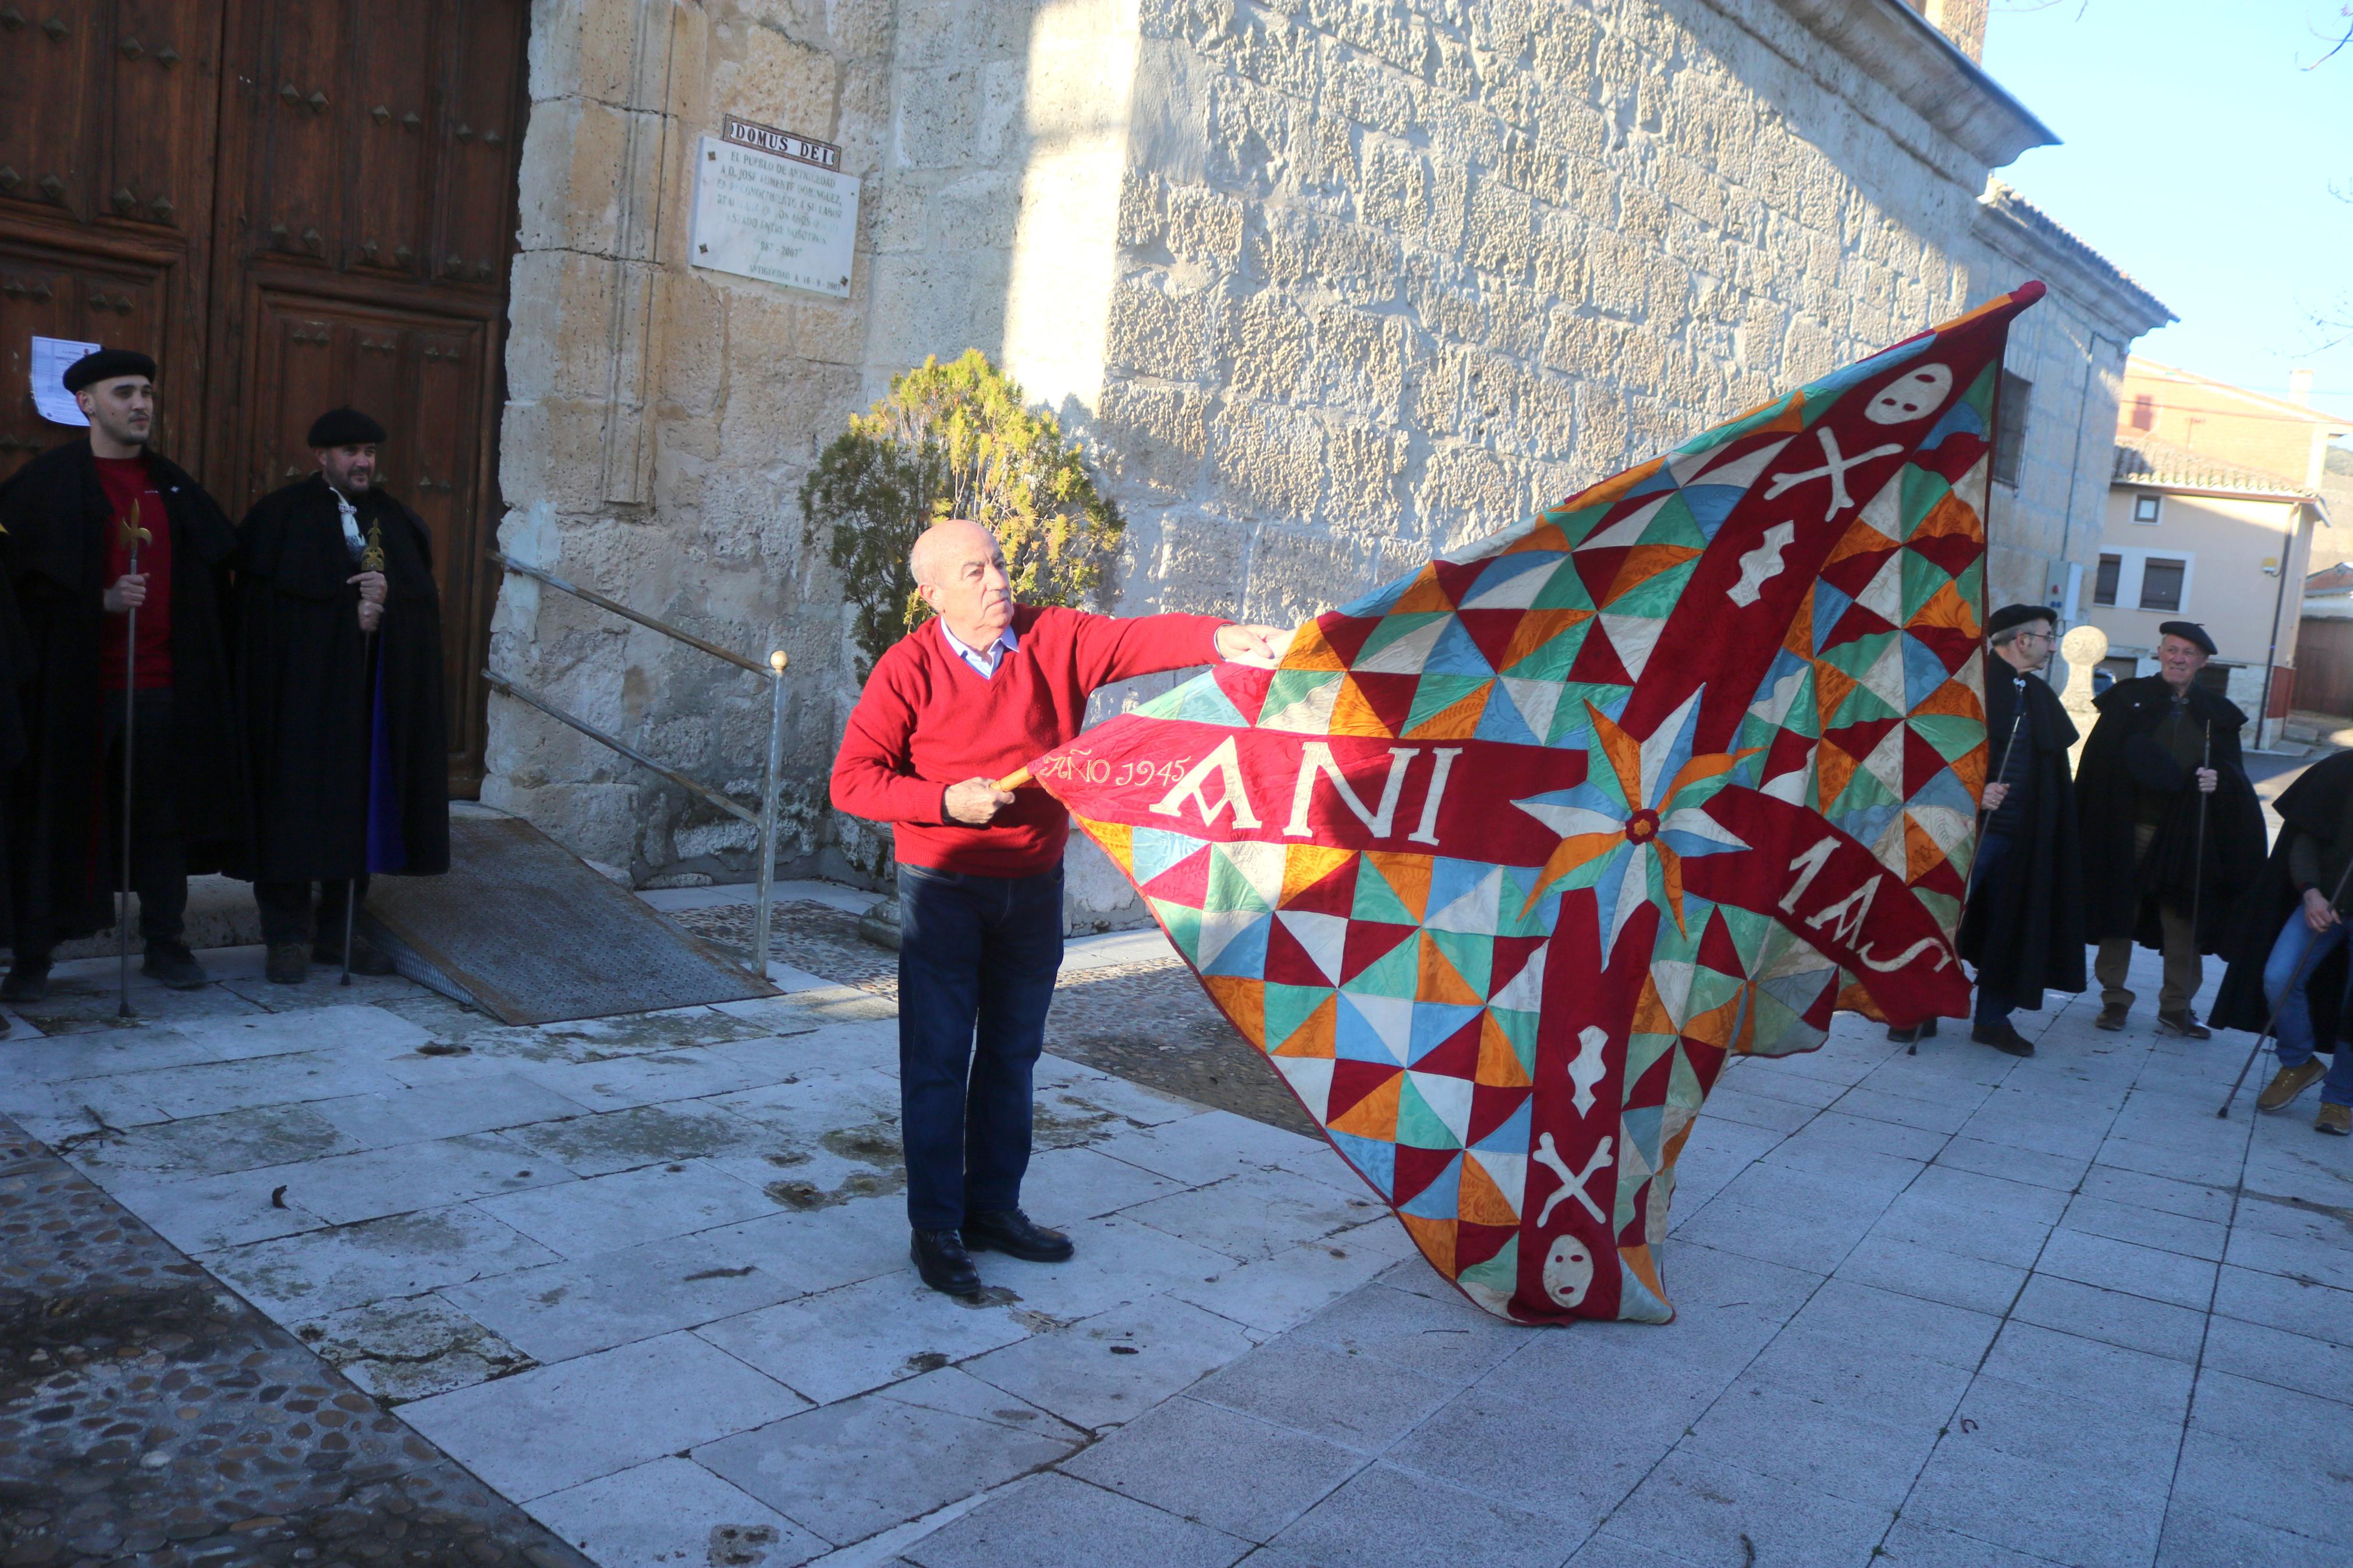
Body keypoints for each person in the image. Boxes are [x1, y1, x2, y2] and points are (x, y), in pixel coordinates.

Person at [830, 518, 1288, 1297]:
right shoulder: (906, 669)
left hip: (1033, 890)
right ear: (932, 593)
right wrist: (943, 799)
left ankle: (994, 1209)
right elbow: (853, 780)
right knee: (938, 1061)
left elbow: (1137, 640)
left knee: (1013, 1054)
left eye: (999, 564)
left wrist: (1222, 636)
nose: (998, 581)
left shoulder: (1052, 637)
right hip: (941, 890)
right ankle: (935, 1225)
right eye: (973, 572)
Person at [0, 349, 245, 1002]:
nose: (140, 404)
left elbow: (217, 576)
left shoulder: (172, 485)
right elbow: (17, 593)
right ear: (86, 404)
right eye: (124, 393)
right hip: (76, 693)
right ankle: (34, 954)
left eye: (147, 394)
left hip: (162, 686)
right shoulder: (43, 486)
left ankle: (166, 942)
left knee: (160, 820)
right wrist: (97, 600)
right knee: (57, 816)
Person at [233, 408, 448, 984]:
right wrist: (341, 613)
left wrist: (389, 602)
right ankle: (284, 934)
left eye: (370, 452)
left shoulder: (393, 518)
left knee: (360, 809)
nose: (363, 462)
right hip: (298, 703)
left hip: (366, 701)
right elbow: (261, 618)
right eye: (351, 452)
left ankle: (340, 929)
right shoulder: (279, 517)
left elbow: (422, 608)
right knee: (292, 809)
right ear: (320, 457)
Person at [2073, 622, 2265, 1037]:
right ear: (2158, 652)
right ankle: (2114, 999)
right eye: (2172, 650)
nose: (2179, 658)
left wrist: (2220, 781)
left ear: (2203, 662)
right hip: (2129, 828)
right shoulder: (2127, 700)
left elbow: (2234, 776)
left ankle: (2176, 1006)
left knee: (2183, 918)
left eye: (2188, 653)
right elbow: (2096, 764)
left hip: (2184, 835)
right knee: (2119, 911)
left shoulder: (2217, 714)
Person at [1947, 605, 2086, 1057]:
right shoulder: (1971, 688)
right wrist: (1974, 792)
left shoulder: (2040, 696)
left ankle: (1991, 1018)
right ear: (2021, 640)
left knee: (2010, 924)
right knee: (1942, 918)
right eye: (2047, 637)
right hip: (1967, 833)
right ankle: (1916, 1009)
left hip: (2021, 837)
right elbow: (1938, 753)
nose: (2052, 645)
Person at [2212, 749, 2353, 1135]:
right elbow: (2303, 839)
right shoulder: (2341, 768)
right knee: (2279, 976)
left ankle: (2339, 1099)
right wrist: (2309, 892)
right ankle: (2297, 1061)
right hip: (2323, 901)